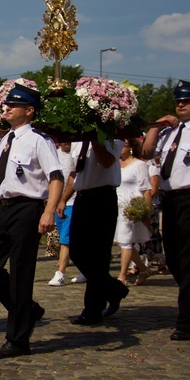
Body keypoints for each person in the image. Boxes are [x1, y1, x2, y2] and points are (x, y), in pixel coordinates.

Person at [0, 83, 63, 358]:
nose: (7, 108)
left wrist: (49, 211)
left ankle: (18, 339)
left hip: (27, 208)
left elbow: (56, 177)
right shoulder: (2, 141)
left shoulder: (39, 140)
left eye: (14, 105)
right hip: (1, 207)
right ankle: (29, 310)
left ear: (29, 110)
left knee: (21, 274)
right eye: (7, 104)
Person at [142, 80, 190, 340]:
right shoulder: (169, 132)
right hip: (171, 198)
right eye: (178, 101)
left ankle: (185, 321)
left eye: (187, 100)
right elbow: (147, 152)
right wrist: (155, 126)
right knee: (173, 259)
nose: (181, 105)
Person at [65, 134, 127, 326]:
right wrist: (62, 199)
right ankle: (114, 289)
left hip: (103, 197)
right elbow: (75, 173)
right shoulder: (78, 141)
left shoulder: (114, 137)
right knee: (76, 251)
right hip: (82, 197)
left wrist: (94, 138)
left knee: (99, 257)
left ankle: (93, 310)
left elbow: (107, 161)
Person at [114, 138, 152, 286]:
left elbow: (146, 189)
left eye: (124, 146)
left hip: (131, 207)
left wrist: (145, 211)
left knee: (126, 240)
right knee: (123, 241)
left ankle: (122, 275)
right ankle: (144, 270)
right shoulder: (115, 164)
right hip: (117, 205)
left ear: (130, 148)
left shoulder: (139, 165)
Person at [49, 142, 77, 286]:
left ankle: (61, 273)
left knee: (65, 239)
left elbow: (73, 179)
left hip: (72, 201)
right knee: (65, 236)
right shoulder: (54, 154)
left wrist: (64, 200)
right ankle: (84, 268)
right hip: (56, 203)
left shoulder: (75, 153)